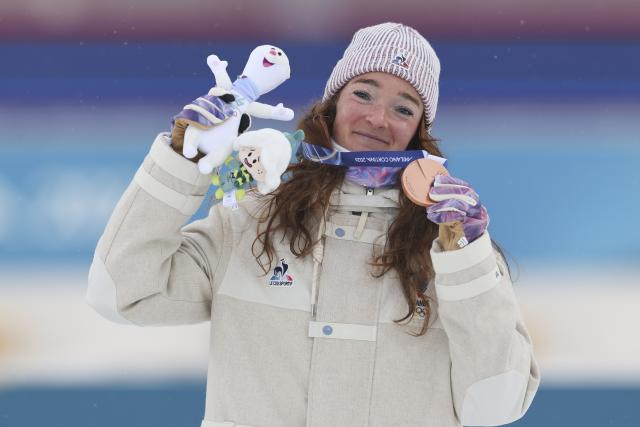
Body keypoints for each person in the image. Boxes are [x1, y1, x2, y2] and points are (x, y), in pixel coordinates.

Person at [87, 22, 540, 427]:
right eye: (363, 93)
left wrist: (468, 258)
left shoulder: (449, 252)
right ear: (331, 104)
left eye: (404, 109)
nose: (378, 118)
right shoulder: (250, 220)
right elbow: (122, 293)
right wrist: (181, 160)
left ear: (420, 130)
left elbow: (495, 405)